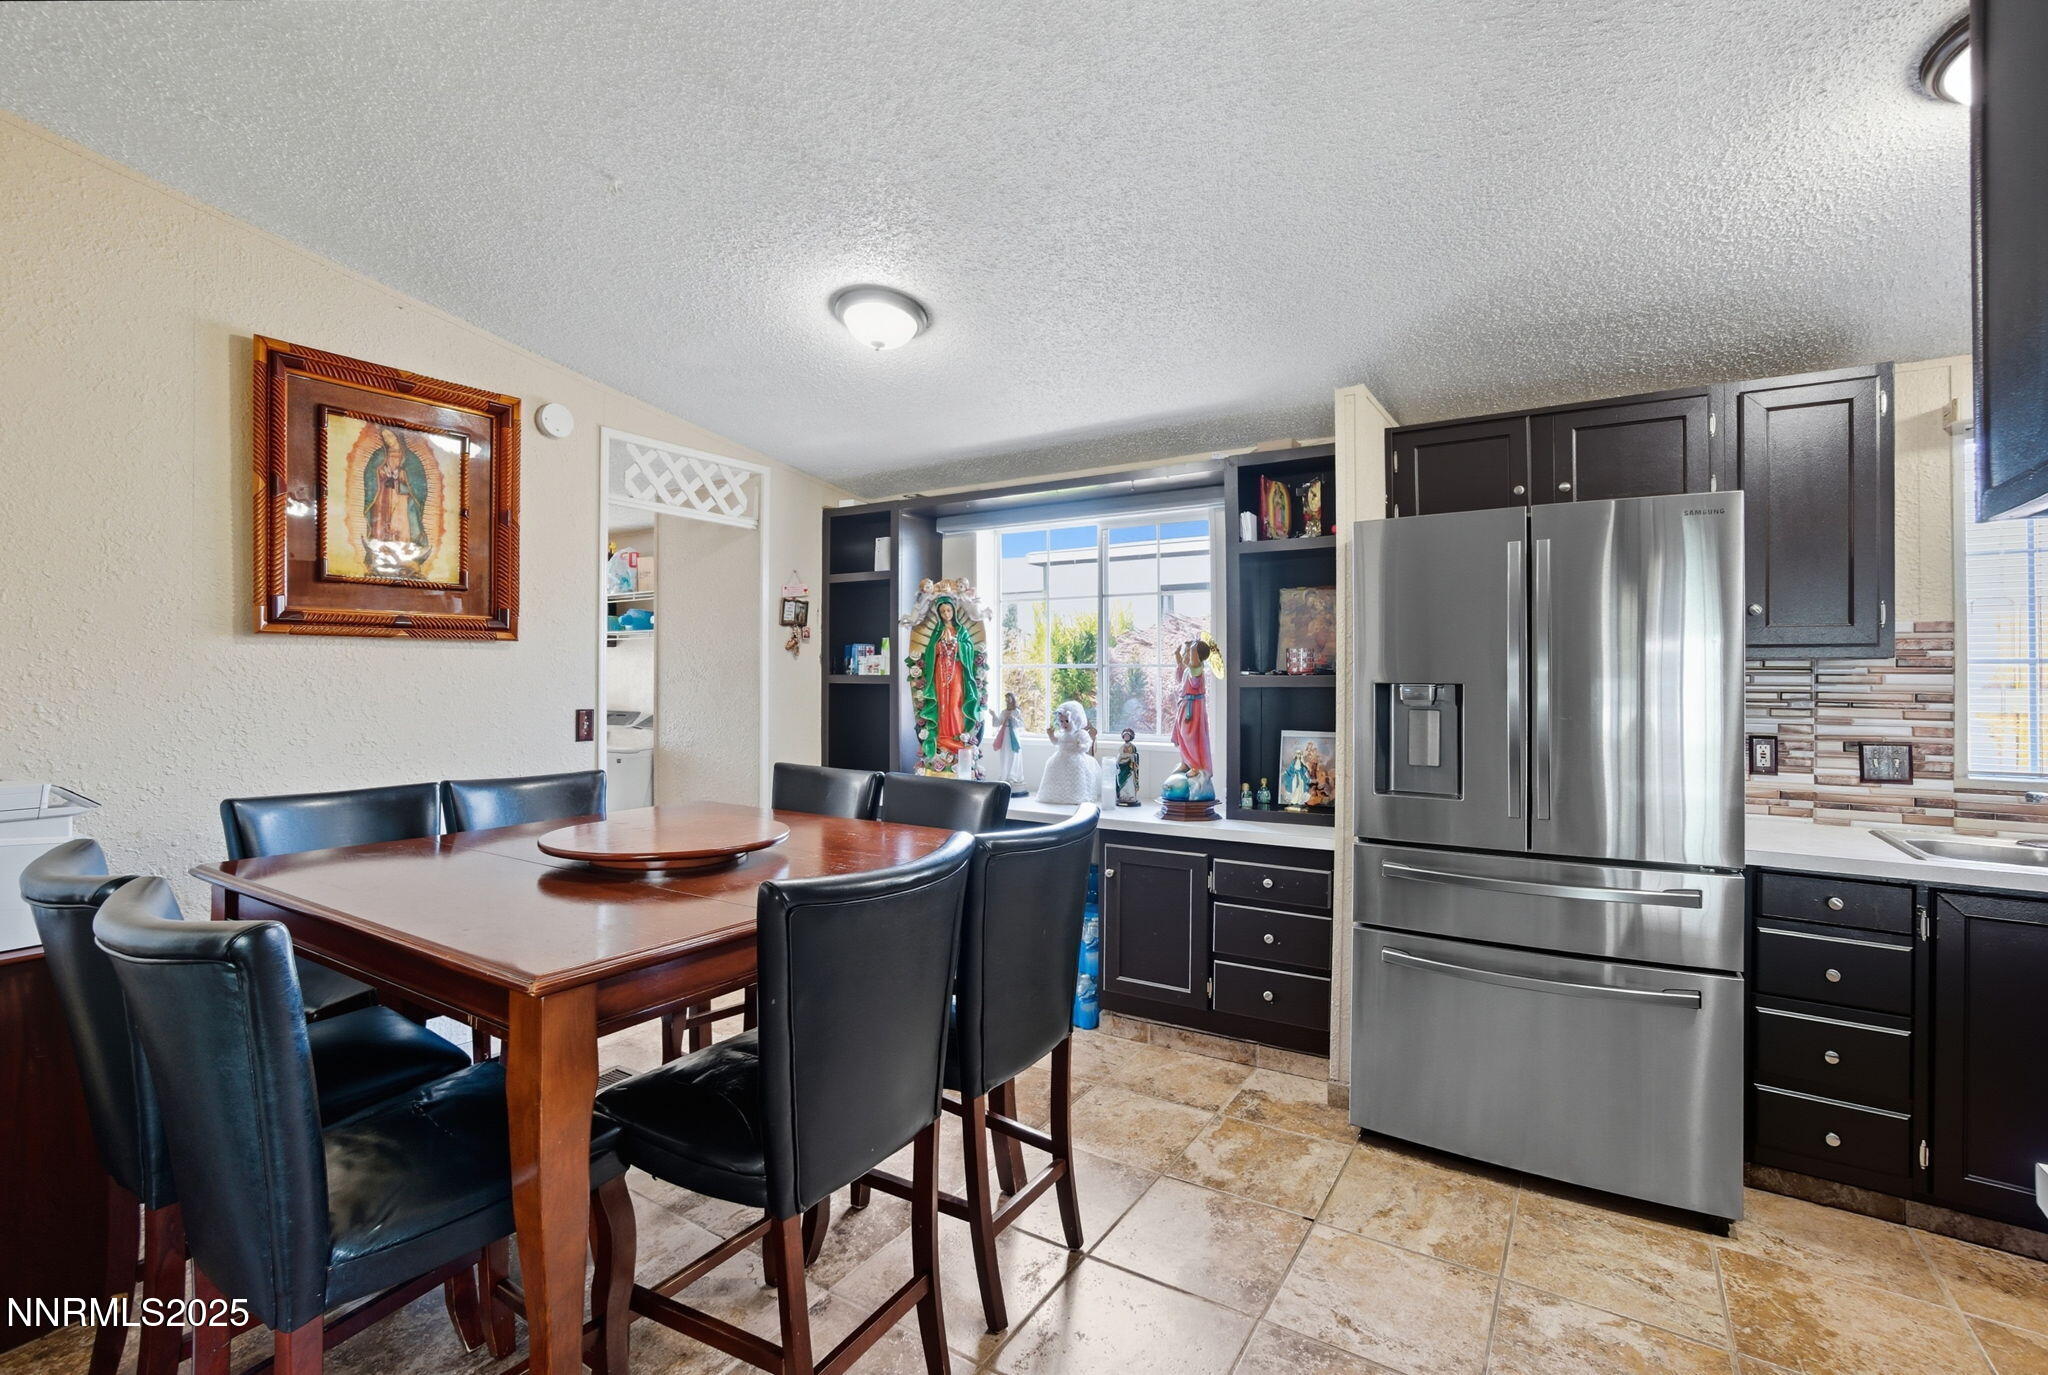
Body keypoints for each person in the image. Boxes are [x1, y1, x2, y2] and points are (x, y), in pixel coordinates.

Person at [1036, 700, 1101, 804]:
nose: (1064, 724)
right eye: (1061, 721)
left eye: (1067, 721)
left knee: (1076, 773)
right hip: (1061, 757)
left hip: (1076, 757)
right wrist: (1051, 735)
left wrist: (1080, 746)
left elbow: (1087, 745)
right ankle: (1057, 795)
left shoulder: (1080, 734)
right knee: (1054, 769)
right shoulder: (1062, 734)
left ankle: (1075, 795)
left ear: (1075, 720)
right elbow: (1056, 742)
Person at [1115, 727, 1141, 806]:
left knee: (1129, 782)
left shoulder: (1133, 747)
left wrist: (1131, 757)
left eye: (1128, 736)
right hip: (1122, 766)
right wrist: (1117, 762)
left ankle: (1131, 796)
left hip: (1130, 767)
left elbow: (1135, 756)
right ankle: (1122, 796)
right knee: (1121, 781)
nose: (1126, 737)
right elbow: (1119, 756)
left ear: (1131, 737)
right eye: (1125, 736)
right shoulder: (1122, 747)